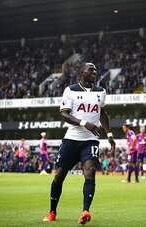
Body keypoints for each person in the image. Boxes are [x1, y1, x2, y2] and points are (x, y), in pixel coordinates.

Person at [43, 63, 115, 224]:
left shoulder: (101, 92)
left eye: (96, 70)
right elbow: (64, 114)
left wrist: (109, 134)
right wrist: (85, 123)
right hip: (72, 139)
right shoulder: (71, 90)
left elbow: (102, 112)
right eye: (91, 69)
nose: (95, 72)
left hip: (90, 141)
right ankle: (52, 212)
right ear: (81, 73)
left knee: (90, 172)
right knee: (60, 175)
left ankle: (85, 212)